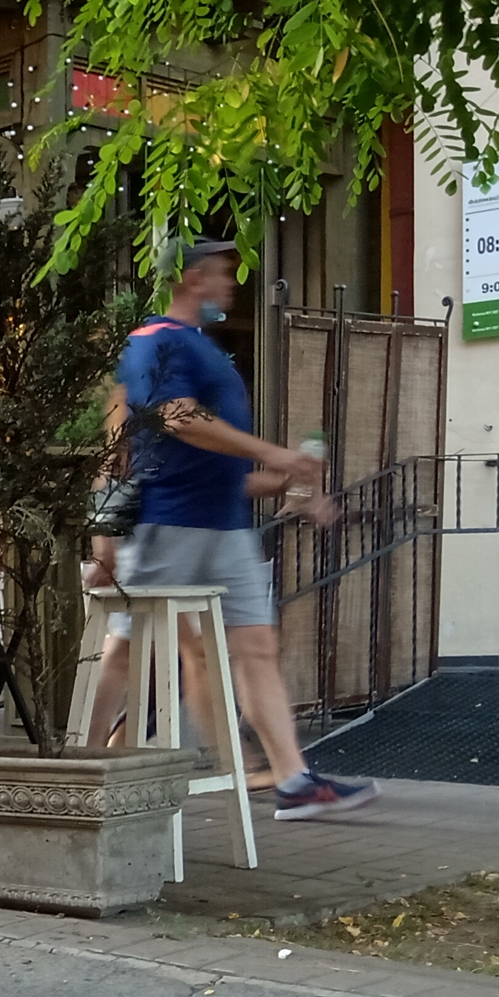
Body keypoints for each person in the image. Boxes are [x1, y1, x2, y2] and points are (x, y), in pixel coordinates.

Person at [90, 235, 378, 821]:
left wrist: (282, 482)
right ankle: (82, 770)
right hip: (168, 521)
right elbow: (172, 418)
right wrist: (276, 454)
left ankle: (294, 780)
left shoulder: (201, 347)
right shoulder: (154, 342)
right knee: (128, 648)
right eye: (222, 272)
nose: (230, 283)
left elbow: (212, 464)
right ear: (193, 278)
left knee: (255, 646)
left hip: (225, 526)